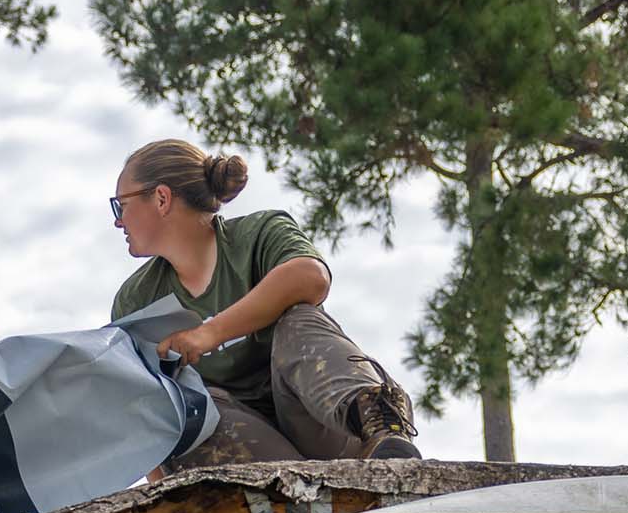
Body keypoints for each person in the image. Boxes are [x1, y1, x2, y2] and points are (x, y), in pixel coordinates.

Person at [110, 139, 421, 464]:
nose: (118, 221)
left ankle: (385, 428)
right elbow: (146, 416)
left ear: (161, 198)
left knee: (299, 320)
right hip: (249, 457)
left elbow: (310, 277)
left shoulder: (258, 234)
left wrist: (210, 333)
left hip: (329, 431)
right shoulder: (136, 301)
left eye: (122, 205)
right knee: (178, 404)